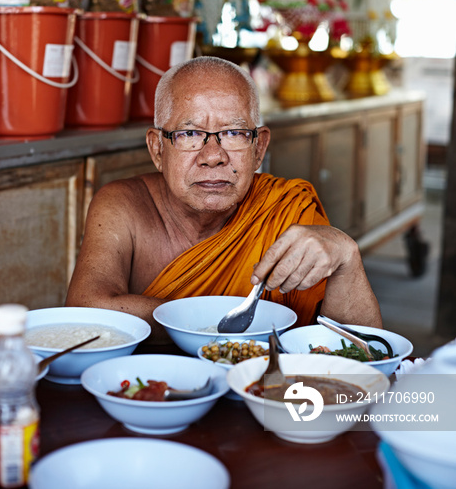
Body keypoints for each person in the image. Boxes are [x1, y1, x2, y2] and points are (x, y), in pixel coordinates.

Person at [66, 56, 382, 340]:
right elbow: (89, 309)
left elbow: (365, 352)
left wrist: (347, 258)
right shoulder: (122, 206)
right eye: (189, 134)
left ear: (259, 148)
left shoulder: (287, 210)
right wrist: (236, 327)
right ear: (157, 149)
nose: (214, 156)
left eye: (234, 133)